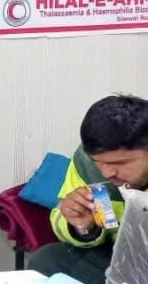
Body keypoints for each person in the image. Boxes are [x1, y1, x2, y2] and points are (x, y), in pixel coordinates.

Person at [29, 95, 148, 284]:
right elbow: (63, 216)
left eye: (120, 163)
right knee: (48, 259)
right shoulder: (88, 167)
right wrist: (83, 228)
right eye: (98, 161)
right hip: (119, 256)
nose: (107, 173)